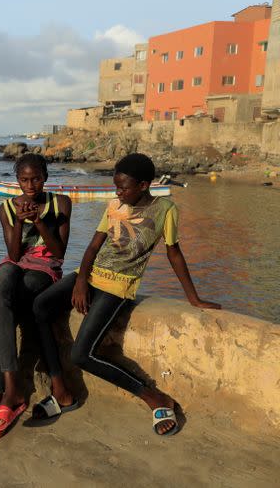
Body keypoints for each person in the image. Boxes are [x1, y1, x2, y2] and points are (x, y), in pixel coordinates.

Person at [31, 153, 220, 436]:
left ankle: (152, 396)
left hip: (118, 286)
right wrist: (81, 280)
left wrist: (193, 299)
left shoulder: (165, 210)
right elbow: (94, 247)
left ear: (144, 185)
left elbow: (174, 253)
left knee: (82, 354)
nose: (118, 192)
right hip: (90, 277)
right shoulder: (114, 205)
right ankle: (60, 387)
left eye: (124, 187)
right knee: (40, 306)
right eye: (116, 186)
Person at [0, 153, 72, 441]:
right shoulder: (6, 208)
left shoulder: (61, 203)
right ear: (17, 180)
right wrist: (20, 222)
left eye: (36, 179)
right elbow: (15, 254)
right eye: (24, 180)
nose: (30, 185)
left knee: (0, 306)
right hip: (15, 262)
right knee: (0, 289)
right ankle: (10, 388)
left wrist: (39, 222)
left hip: (44, 268)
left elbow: (59, 253)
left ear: (45, 176)